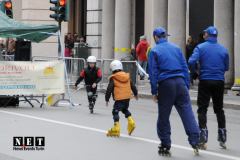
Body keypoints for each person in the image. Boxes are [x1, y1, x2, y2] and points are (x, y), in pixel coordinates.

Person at [148, 27, 200, 156]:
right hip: (181, 83)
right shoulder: (176, 48)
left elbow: (153, 73)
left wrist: (154, 91)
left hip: (166, 84)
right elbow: (184, 67)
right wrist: (186, 85)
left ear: (155, 37)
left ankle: (165, 144)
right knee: (187, 112)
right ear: (166, 36)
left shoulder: (154, 50)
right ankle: (195, 140)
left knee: (164, 116)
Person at [188, 26, 229, 150]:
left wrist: (196, 71)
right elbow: (226, 67)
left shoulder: (200, 48)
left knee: (202, 108)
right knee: (219, 109)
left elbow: (191, 61)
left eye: (205, 33)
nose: (203, 34)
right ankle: (222, 135)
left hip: (205, 80)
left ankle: (203, 135)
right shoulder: (224, 50)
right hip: (219, 81)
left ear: (207, 35)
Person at [105, 60, 138, 137]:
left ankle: (116, 128)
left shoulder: (113, 78)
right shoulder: (126, 76)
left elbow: (109, 88)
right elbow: (133, 86)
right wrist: (136, 94)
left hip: (119, 98)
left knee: (115, 111)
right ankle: (131, 121)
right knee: (124, 109)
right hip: (127, 97)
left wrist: (107, 99)